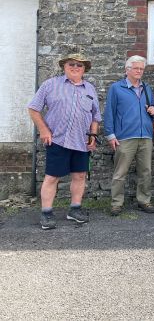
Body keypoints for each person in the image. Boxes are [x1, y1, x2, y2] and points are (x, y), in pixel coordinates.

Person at [28, 53, 101, 230]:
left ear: (85, 69)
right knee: (52, 177)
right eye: (71, 64)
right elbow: (33, 108)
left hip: (81, 141)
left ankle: (74, 209)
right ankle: (46, 213)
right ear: (64, 66)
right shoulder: (50, 85)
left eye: (80, 65)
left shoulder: (89, 89)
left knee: (80, 176)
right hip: (58, 140)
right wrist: (44, 130)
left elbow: (95, 116)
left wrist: (93, 136)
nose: (75, 67)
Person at [104, 56, 154, 216]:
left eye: (141, 69)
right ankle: (116, 203)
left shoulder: (146, 87)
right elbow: (109, 112)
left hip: (146, 135)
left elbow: (152, 107)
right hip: (124, 136)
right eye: (136, 68)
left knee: (145, 171)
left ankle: (144, 201)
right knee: (120, 172)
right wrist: (110, 135)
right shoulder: (116, 88)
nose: (139, 71)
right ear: (127, 70)